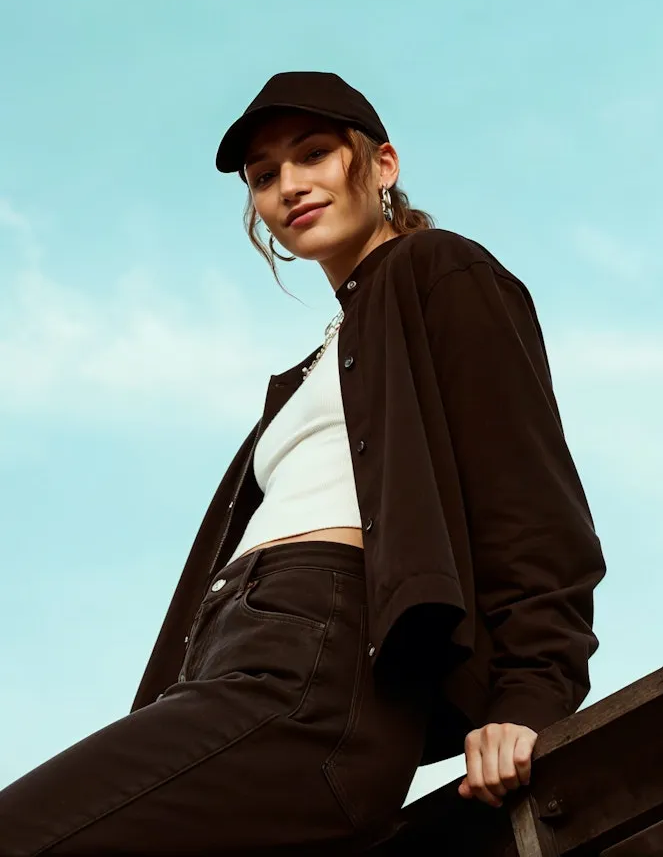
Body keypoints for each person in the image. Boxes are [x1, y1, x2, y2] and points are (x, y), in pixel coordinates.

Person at [0, 71, 606, 855]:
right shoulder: (318, 364)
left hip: (316, 666)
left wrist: (530, 695)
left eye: (312, 154)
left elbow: (525, 494)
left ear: (381, 164)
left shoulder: (438, 271)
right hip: (226, 661)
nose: (287, 185)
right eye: (263, 176)